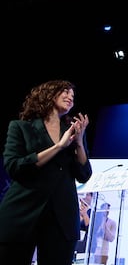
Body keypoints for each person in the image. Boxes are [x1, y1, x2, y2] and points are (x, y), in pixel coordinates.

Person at [0, 80, 92, 265]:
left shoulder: (73, 131)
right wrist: (58, 147)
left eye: (73, 96)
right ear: (48, 94)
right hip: (22, 212)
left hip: (62, 217)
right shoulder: (20, 127)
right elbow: (14, 167)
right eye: (65, 92)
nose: (70, 98)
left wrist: (80, 142)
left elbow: (83, 175)